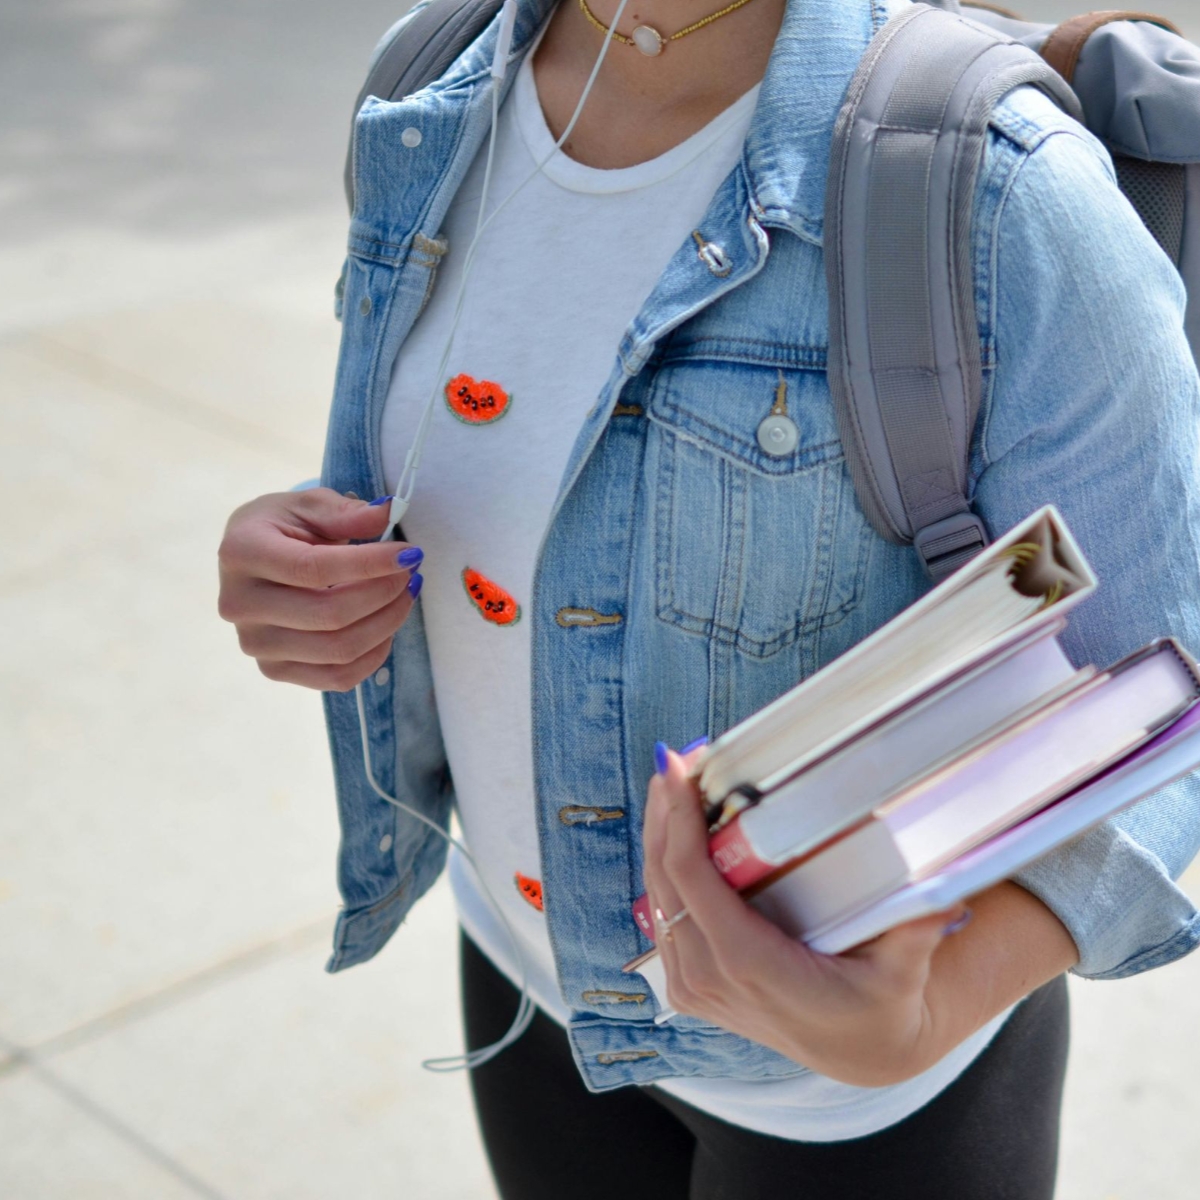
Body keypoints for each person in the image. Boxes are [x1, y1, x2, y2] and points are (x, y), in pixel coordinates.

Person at [217, 0, 1200, 1195]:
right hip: (530, 984)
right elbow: (491, 460)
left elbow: (1160, 669)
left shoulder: (1001, 191)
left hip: (865, 1104)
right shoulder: (431, 85)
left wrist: (929, 1006)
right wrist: (309, 560)